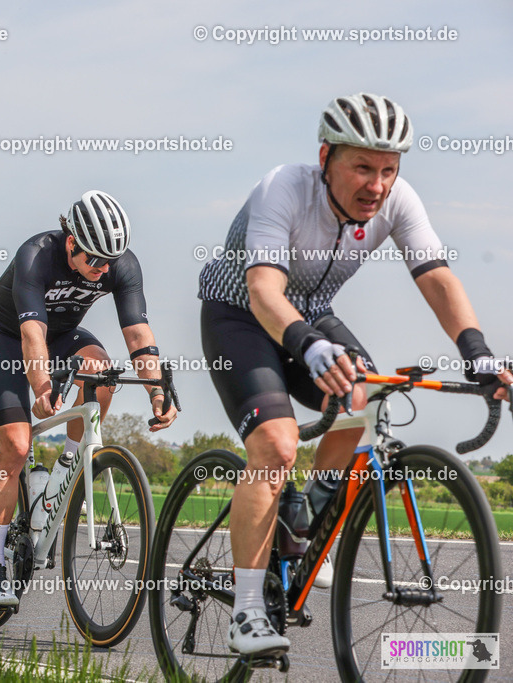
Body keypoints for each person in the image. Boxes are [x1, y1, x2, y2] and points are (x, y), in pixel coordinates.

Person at [197, 93, 512, 656]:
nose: (377, 185)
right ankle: (245, 613)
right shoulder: (283, 189)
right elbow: (264, 291)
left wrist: (478, 351)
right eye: (362, 167)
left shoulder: (398, 200)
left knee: (363, 395)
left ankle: (307, 518)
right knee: (275, 442)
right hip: (241, 316)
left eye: (388, 169)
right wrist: (307, 345)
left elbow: (435, 276)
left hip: (313, 316)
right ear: (326, 157)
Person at [0, 190, 178, 607]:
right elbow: (32, 335)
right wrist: (43, 388)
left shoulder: (121, 264)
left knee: (102, 373)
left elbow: (138, 336)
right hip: (8, 338)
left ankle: (67, 464)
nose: (102, 270)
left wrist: (157, 390)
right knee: (14, 446)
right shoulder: (36, 255)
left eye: (109, 262)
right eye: (95, 261)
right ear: (71, 243)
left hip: (63, 337)